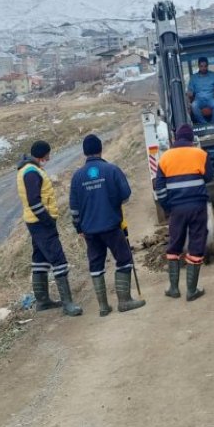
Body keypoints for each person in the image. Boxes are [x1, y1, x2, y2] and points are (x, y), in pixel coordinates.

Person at [69, 134, 145, 315]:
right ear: (101, 149)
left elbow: (74, 208)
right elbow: (125, 195)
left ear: (84, 153)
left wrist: (79, 228)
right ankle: (124, 301)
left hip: (89, 230)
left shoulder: (77, 177)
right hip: (111, 226)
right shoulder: (111, 170)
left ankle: (103, 307)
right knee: (124, 259)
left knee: (96, 265)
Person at [17, 140, 82, 316]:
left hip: (34, 222)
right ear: (42, 155)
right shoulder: (31, 172)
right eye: (48, 154)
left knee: (40, 259)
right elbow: (34, 201)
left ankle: (43, 301)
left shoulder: (28, 169)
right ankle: (68, 304)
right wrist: (47, 220)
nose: (49, 157)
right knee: (58, 259)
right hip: (40, 223)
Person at [154, 124, 214, 301]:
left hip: (176, 209)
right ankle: (191, 290)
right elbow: (209, 177)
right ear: (191, 139)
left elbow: (159, 187)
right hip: (197, 207)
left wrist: (167, 206)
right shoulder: (200, 154)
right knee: (196, 243)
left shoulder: (165, 158)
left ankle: (173, 288)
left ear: (176, 139)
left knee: (174, 244)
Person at [187, 57, 214, 124]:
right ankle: (204, 124)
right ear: (198, 66)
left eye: (205, 66)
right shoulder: (193, 78)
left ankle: (213, 123)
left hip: (211, 99)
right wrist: (189, 94)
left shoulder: (213, 75)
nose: (203, 68)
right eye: (201, 66)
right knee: (194, 105)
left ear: (208, 66)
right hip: (199, 100)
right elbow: (190, 92)